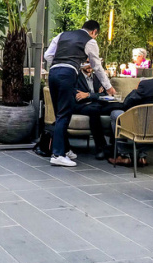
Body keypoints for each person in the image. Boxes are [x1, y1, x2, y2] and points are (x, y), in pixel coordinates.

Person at [45, 20, 116, 167]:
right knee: (64, 114)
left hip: (53, 72)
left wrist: (61, 63)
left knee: (61, 113)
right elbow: (97, 66)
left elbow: (48, 56)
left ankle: (64, 149)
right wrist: (108, 87)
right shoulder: (90, 41)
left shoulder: (61, 35)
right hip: (67, 74)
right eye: (96, 35)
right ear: (94, 32)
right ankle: (57, 154)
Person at [74, 63, 125, 160]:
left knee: (118, 106)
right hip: (83, 105)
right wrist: (97, 94)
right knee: (94, 111)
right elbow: (78, 96)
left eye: (91, 63)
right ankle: (100, 147)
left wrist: (89, 95)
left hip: (99, 104)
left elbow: (105, 93)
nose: (90, 66)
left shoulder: (98, 76)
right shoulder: (76, 77)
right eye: (87, 63)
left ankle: (115, 145)